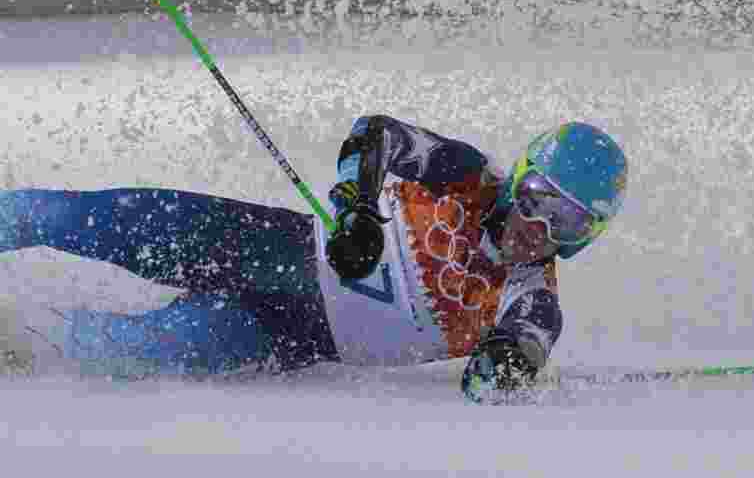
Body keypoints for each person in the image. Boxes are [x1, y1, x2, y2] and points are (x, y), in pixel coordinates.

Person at [0, 115, 627, 403]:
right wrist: (355, 210)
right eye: (541, 198)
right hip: (263, 246)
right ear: (522, 178)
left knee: (112, 348)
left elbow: (514, 359)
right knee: (81, 218)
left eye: (568, 219)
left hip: (279, 336)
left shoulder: (531, 296)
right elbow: (377, 133)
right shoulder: (466, 176)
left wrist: (507, 367)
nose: (540, 226)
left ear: (585, 235)